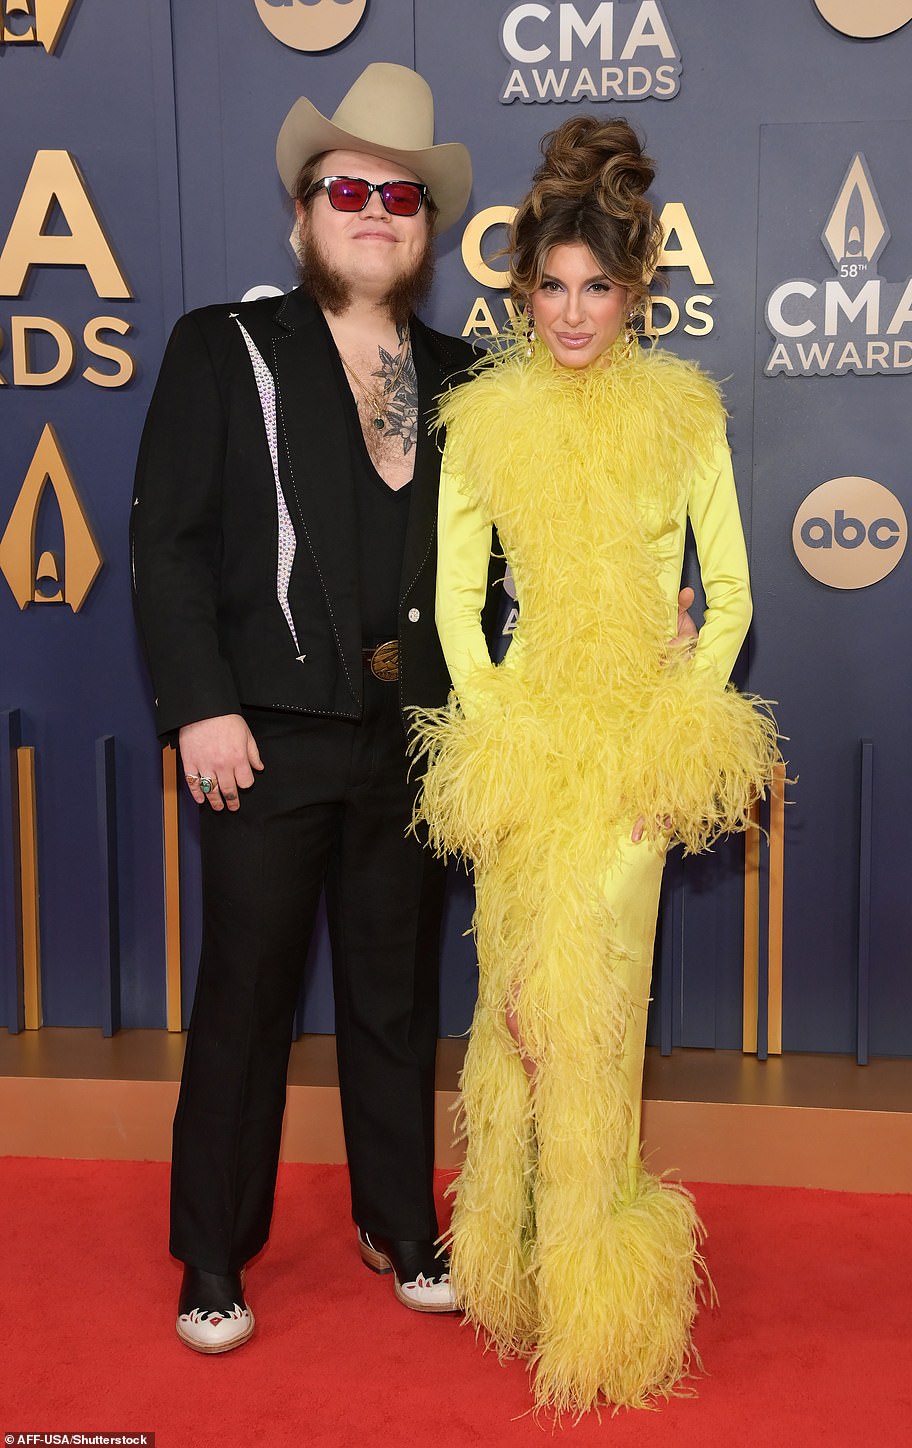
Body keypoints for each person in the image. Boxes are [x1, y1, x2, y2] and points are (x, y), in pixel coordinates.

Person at [411, 115, 780, 1415]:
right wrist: (507, 720)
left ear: (633, 292)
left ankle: (601, 1311)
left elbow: (723, 597)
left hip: (627, 767)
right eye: (551, 288)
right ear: (522, 292)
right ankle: (514, 1284)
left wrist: (658, 740)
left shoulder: (680, 417)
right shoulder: (488, 423)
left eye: (597, 288)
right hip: (526, 765)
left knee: (587, 1026)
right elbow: (459, 606)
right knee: (509, 1020)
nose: (573, 313)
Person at [130, 62, 478, 1351]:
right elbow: (166, 543)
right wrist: (200, 708)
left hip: (411, 747)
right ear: (303, 212)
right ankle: (211, 1255)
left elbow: (510, 556)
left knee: (395, 1003)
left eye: (400, 193)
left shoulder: (464, 375)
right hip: (264, 740)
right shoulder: (224, 345)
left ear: (426, 226)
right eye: (349, 188)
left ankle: (401, 1224)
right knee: (247, 1002)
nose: (375, 209)